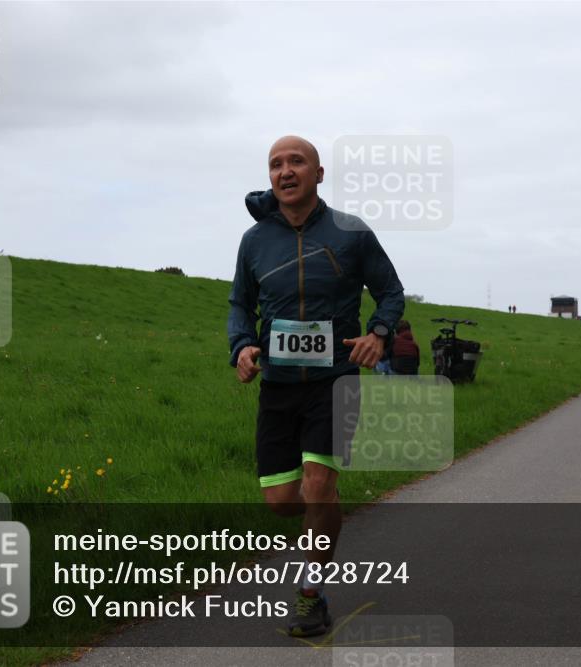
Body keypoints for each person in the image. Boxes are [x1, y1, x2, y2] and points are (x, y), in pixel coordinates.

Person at [227, 136, 404, 638]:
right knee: (283, 500)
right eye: (275, 164)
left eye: (296, 161)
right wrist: (242, 346)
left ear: (319, 174)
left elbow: (390, 292)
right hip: (279, 384)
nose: (285, 171)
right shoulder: (254, 241)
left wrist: (378, 333)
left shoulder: (351, 233)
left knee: (319, 485)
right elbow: (240, 303)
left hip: (335, 379)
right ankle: (325, 508)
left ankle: (311, 594)